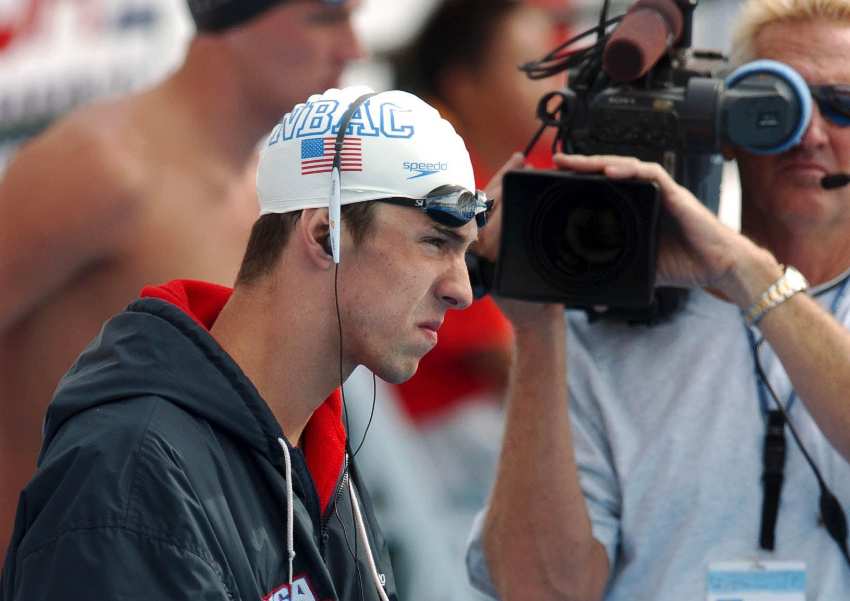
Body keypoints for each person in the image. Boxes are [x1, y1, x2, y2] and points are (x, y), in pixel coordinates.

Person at [0, 85, 497, 600]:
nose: (461, 291)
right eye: (436, 242)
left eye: (464, 253)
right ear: (327, 233)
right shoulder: (130, 477)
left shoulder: (312, 451)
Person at [467, 0, 850, 599]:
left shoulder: (733, 272)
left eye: (843, 106)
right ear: (721, 125)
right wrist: (539, 326)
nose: (807, 133)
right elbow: (539, 589)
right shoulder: (613, 322)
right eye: (772, 104)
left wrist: (745, 273)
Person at [0, 0, 362, 551]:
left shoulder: (265, 191)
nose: (352, 48)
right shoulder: (106, 167)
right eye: (325, 17)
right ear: (231, 21)